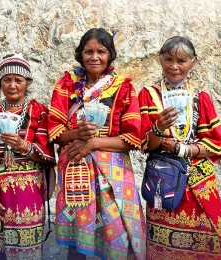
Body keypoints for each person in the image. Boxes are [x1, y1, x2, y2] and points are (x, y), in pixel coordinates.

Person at [47, 28, 146, 259]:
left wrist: (91, 143)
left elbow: (132, 139)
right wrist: (76, 133)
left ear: (110, 55)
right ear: (80, 54)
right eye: (88, 51)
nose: (94, 57)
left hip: (113, 173)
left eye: (101, 51)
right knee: (78, 233)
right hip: (76, 171)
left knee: (117, 229)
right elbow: (54, 132)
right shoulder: (66, 85)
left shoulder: (123, 87)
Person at [139, 36, 221, 259]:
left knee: (208, 241)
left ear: (193, 62)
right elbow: (146, 145)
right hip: (163, 181)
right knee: (162, 247)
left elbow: (216, 144)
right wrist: (158, 127)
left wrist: (183, 149)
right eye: (168, 59)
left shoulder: (200, 97)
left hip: (198, 182)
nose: (174, 66)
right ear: (160, 60)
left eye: (181, 60)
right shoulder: (148, 95)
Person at [0, 52, 55, 259]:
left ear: (27, 83)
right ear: (0, 83)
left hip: (28, 192)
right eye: (6, 80)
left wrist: (23, 146)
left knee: (25, 251)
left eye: (18, 80)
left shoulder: (39, 112)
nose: (12, 85)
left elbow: (47, 155)